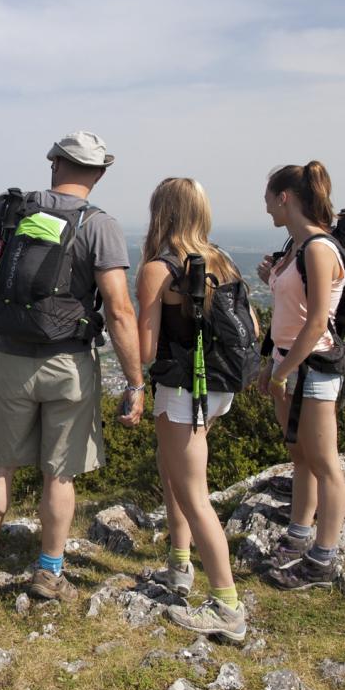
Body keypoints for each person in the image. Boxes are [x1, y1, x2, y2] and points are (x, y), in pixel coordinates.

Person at [0, 131, 144, 601]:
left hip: (12, 356)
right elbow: (118, 308)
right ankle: (48, 571)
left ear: (55, 163)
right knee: (60, 474)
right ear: (100, 173)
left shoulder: (18, 207)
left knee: (0, 465)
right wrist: (135, 381)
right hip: (69, 362)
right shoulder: (100, 226)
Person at [137, 177, 256, 642]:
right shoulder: (219, 259)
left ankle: (227, 606)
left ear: (161, 213)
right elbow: (250, 322)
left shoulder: (160, 267)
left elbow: (147, 349)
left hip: (184, 390)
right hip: (217, 387)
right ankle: (179, 564)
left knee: (192, 493)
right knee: (174, 474)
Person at [257, 161, 345, 589]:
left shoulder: (317, 248)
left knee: (325, 462)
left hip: (311, 366)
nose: (266, 206)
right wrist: (272, 364)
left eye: (268, 198)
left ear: (285, 198)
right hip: (289, 362)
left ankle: (323, 559)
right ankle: (298, 533)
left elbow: (315, 324)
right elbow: (291, 312)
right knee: (300, 455)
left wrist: (282, 372)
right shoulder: (296, 246)